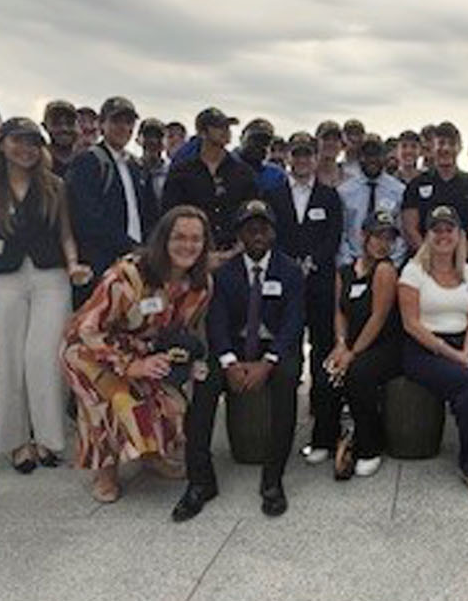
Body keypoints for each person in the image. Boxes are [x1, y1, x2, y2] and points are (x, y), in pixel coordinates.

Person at [0, 117, 89, 473]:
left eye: (32, 143)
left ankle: (49, 438)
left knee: (45, 358)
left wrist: (73, 264)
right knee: (5, 359)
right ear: (1, 144)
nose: (25, 149)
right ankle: (14, 441)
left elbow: (66, 233)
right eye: (17, 141)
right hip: (1, 277)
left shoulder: (54, 186)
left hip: (50, 275)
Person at [62, 206, 213, 503]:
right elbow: (87, 330)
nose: (188, 245)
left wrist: (192, 361)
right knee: (118, 402)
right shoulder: (126, 276)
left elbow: (188, 331)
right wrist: (130, 365)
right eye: (179, 237)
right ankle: (105, 472)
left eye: (196, 239)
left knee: (171, 403)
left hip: (147, 352)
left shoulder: (201, 285)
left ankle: (151, 455)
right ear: (163, 239)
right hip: (91, 352)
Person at [177, 200, 304, 520]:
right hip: (232, 347)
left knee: (287, 381)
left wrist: (268, 362)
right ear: (239, 235)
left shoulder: (290, 271)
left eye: (263, 227)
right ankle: (201, 481)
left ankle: (273, 480)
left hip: (274, 348)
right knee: (204, 385)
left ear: (273, 232)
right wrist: (230, 363)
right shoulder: (224, 273)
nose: (257, 233)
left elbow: (293, 323)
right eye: (250, 227)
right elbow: (216, 323)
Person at [397, 206, 468, 496]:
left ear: (459, 235)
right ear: (428, 235)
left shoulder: (467, 271)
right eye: (437, 230)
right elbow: (411, 324)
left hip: (461, 345)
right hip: (423, 350)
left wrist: (467, 351)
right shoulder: (412, 271)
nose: (443, 236)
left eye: (449, 230)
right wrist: (453, 356)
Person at [264, 136, 345, 466]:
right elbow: (268, 235)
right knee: (287, 355)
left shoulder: (329, 196)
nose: (301, 160)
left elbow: (333, 236)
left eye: (306, 154)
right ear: (289, 158)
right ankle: (280, 434)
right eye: (296, 154)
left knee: (323, 359)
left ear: (315, 157)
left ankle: (325, 433)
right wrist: (288, 264)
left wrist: (311, 261)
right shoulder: (272, 196)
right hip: (284, 287)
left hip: (320, 286)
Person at [323, 210, 405, 477]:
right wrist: (340, 344)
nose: (383, 244)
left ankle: (370, 446)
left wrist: (353, 353)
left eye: (388, 238)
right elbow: (339, 312)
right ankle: (327, 437)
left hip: (384, 346)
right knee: (326, 368)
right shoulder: (344, 271)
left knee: (359, 373)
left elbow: (378, 317)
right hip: (351, 342)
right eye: (377, 236)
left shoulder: (386, 270)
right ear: (363, 237)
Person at [67, 97, 158, 290]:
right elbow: (87, 217)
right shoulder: (88, 161)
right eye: (116, 121)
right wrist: (128, 246)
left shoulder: (137, 166)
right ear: (101, 124)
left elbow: (150, 213)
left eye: (128, 122)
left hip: (136, 262)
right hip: (101, 262)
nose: (123, 127)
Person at [160, 107, 259, 258]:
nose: (226, 131)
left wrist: (239, 247)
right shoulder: (181, 172)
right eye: (219, 127)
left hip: (235, 256)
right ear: (202, 132)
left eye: (227, 127)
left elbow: (252, 213)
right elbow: (170, 215)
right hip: (191, 254)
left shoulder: (244, 173)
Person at [401, 122, 468, 261]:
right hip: (424, 263)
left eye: (451, 144)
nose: (446, 148)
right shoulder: (416, 185)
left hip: (465, 263)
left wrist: (459, 258)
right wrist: (431, 259)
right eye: (441, 143)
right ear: (432, 147)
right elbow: (410, 228)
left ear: (460, 148)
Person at [339, 137, 408, 265]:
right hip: (354, 262)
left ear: (384, 157)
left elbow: (403, 234)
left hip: (388, 263)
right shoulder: (344, 191)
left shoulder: (399, 191)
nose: (372, 160)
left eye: (377, 154)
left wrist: (391, 263)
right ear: (359, 157)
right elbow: (341, 233)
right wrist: (348, 264)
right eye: (367, 155)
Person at [41, 100, 78, 176]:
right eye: (56, 123)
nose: (64, 128)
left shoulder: (88, 160)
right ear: (45, 126)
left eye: (69, 123)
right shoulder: (37, 160)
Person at [139, 118, 170, 203]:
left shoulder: (173, 171)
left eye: (158, 136)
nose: (153, 141)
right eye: (148, 136)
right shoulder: (132, 169)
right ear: (139, 140)